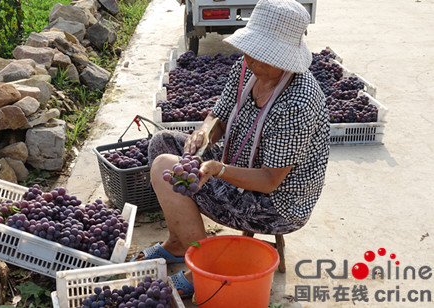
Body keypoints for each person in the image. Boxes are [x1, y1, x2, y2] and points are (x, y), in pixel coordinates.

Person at [132, 0, 330, 299]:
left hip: (275, 202)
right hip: (239, 161)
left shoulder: (298, 101)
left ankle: (202, 268)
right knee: (162, 144)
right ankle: (178, 243)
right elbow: (220, 115)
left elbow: (269, 180)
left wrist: (216, 170)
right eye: (250, 52)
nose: (250, 61)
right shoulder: (247, 67)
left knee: (164, 166)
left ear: (287, 59)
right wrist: (204, 133)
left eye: (262, 56)